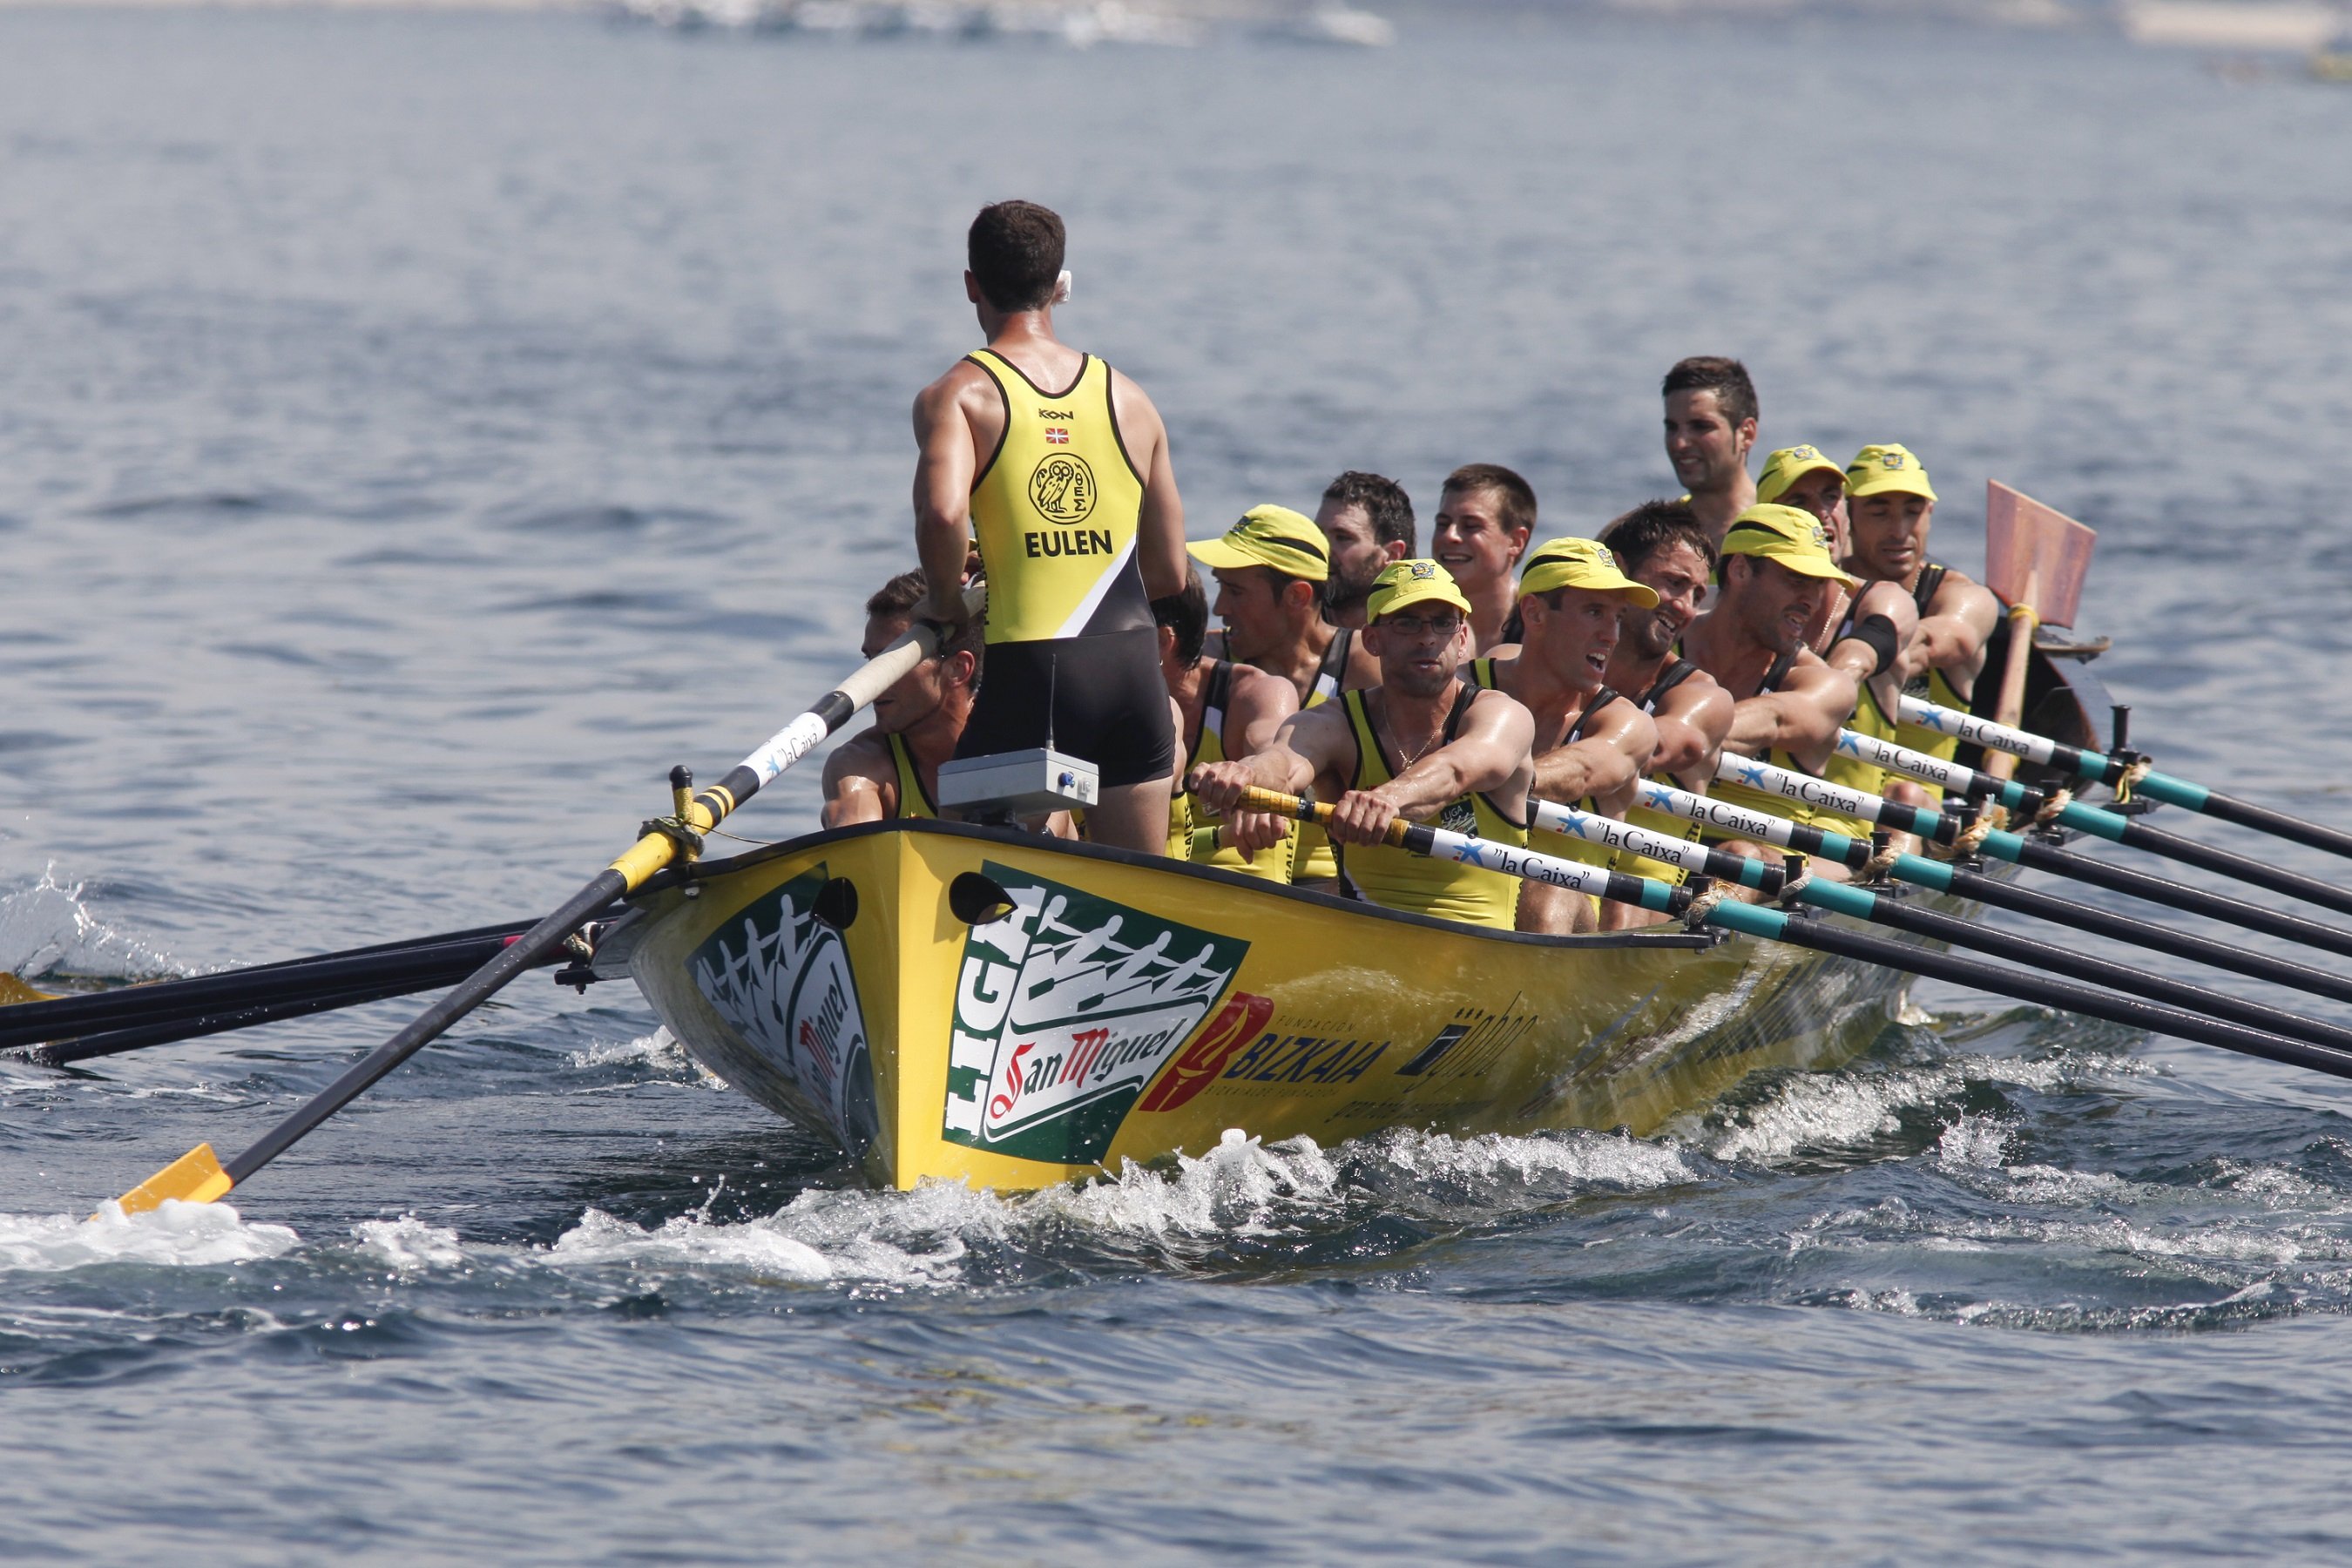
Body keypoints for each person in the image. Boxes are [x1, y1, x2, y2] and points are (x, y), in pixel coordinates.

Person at [910, 199, 1186, 854]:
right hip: (1132, 670)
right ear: (1059, 284)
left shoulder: (959, 394)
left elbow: (944, 514)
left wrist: (945, 600)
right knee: (1136, 893)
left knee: (962, 883)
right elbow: (1171, 572)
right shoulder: (1131, 398)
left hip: (1034, 671)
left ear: (971, 284)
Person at [1189, 560, 1535, 929]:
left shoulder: (1502, 715)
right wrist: (1247, 774)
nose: (1428, 638)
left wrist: (1387, 799)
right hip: (1363, 939)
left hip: (1480, 942)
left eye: (1443, 623)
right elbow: (1284, 763)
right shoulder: (1334, 723)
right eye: (1407, 623)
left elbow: (1455, 770)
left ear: (1462, 638)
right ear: (1372, 640)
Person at [1678, 504, 1917, 873]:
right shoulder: (1663, 648)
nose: (1812, 600)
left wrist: (1661, 736)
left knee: (1742, 855)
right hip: (1664, 845)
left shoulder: (1823, 683)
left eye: (1819, 584)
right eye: (1797, 579)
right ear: (1739, 569)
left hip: (1767, 862)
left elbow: (1771, 718)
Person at [1471, 538, 1660, 934]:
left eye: (1617, 617)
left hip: (1565, 914)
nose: (1612, 636)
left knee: (1549, 888)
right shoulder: (1468, 685)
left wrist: (1471, 776)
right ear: (1534, 613)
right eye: (1594, 612)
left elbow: (1582, 771)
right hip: (1462, 901)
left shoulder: (1626, 724)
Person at [1189, 504, 1378, 887]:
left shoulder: (1364, 665)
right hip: (1214, 875)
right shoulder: (1204, 661)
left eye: (1235, 591)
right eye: (1220, 586)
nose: (1219, 608)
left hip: (1330, 884)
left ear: (1297, 596)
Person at [1834, 443, 2001, 808]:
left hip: (1917, 804)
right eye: (1879, 513)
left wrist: (1838, 671)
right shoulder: (1821, 589)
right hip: (1827, 799)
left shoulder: (1962, 597)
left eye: (1913, 512)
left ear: (1930, 514)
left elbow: (1930, 643)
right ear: (1848, 515)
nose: (1899, 531)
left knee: (1903, 795)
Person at [1595, 502, 1736, 927]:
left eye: (1697, 594)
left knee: (1613, 906)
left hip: (1643, 907)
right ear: (1618, 571)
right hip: (1549, 884)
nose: (1687, 608)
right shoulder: (1536, 668)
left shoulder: (1701, 697)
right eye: (1675, 584)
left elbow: (1634, 752)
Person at [1153, 564, 1299, 879]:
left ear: (1162, 641)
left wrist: (1255, 775)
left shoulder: (1257, 693)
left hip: (1243, 879)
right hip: (1154, 877)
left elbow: (1275, 754)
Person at [821, 570, 983, 827]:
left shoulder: (1019, 744)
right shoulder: (860, 763)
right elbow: (856, 833)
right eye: (871, 660)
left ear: (958, 669)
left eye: (893, 661)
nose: (871, 681)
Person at [1432, 463, 1535, 655]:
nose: (1449, 536)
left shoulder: (1540, 630)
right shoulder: (1412, 622)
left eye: (1471, 526)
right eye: (1442, 524)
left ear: (1516, 541)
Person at [1660, 356, 1759, 548]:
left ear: (1746, 434)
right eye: (1672, 427)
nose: (1680, 443)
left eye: (1701, 426)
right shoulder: (1641, 538)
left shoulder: (1790, 529)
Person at [1315, 470, 1416, 630]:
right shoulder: (1285, 629)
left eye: (1342, 538)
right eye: (1318, 534)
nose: (1323, 549)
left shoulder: (1424, 634)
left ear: (1392, 554)